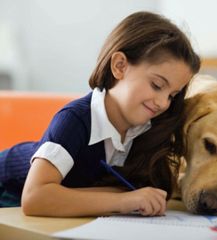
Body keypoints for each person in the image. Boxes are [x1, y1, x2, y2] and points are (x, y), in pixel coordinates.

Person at [0, 11, 201, 217]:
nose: (162, 103)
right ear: (119, 66)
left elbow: (140, 189)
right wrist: (124, 200)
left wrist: (130, 196)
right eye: (156, 85)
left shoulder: (149, 129)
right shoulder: (75, 119)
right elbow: (35, 198)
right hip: (8, 190)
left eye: (172, 95)